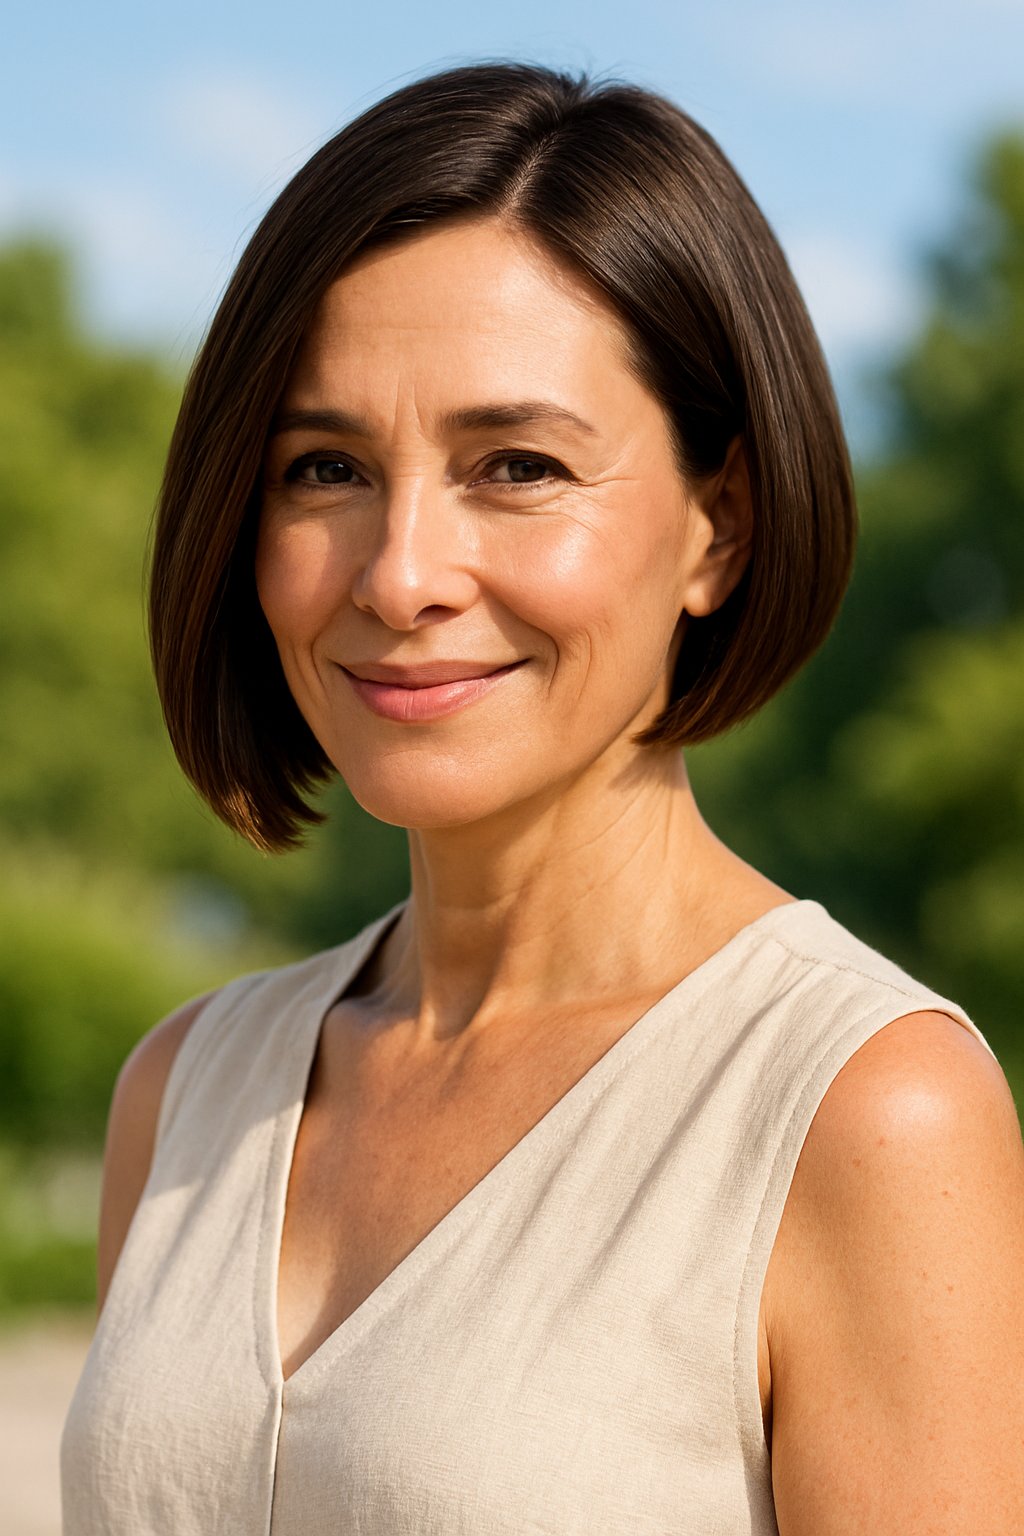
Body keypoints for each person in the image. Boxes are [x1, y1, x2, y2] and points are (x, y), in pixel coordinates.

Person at [61, 61, 1024, 1534]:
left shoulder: (863, 1112)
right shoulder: (184, 1088)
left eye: (516, 465)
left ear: (722, 528)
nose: (399, 574)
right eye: (325, 468)